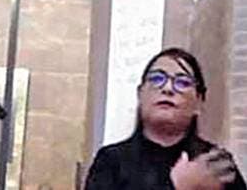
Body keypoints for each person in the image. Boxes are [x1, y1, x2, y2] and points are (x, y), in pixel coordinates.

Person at [84, 47, 246, 189]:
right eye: (157, 79)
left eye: (182, 82)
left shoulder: (215, 164)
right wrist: (177, 186)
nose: (168, 88)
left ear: (199, 101)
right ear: (140, 94)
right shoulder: (111, 161)